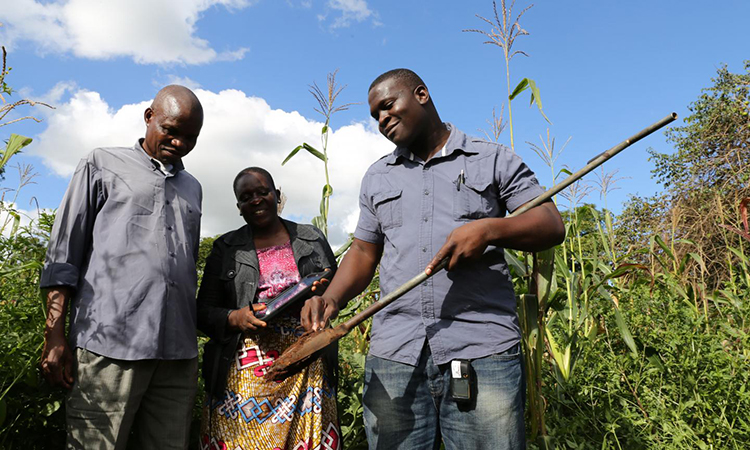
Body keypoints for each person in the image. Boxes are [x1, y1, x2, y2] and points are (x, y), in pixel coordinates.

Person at [301, 68, 565, 450]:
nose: (382, 120)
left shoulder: (491, 159)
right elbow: (363, 251)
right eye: (375, 115)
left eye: (388, 106)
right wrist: (331, 299)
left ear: (421, 94)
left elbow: (550, 224)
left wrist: (490, 230)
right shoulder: (378, 177)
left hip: (481, 348)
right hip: (395, 352)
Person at [39, 85, 204, 449]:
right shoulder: (101, 163)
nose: (178, 143)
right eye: (171, 130)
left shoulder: (193, 187)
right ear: (149, 117)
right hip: (109, 346)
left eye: (189, 137)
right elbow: (63, 254)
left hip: (177, 354)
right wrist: (55, 335)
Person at [197, 167, 341, 450]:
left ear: (277, 196)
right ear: (239, 208)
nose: (256, 200)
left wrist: (320, 296)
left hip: (306, 360)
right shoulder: (226, 248)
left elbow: (337, 288)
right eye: (246, 196)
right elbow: (201, 312)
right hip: (246, 368)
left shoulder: (310, 238)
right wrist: (234, 317)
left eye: (263, 192)